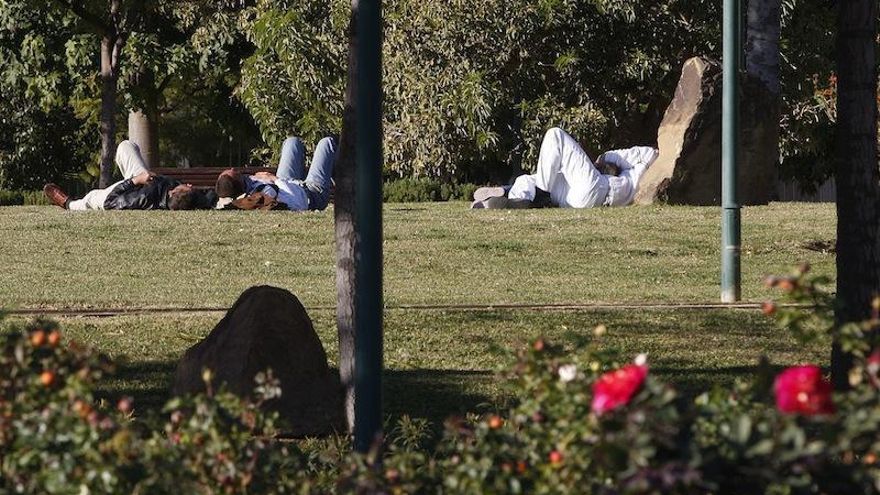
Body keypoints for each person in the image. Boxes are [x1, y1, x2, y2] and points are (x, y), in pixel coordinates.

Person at [472, 127, 658, 209]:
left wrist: (607, 162)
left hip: (598, 190)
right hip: (576, 199)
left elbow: (651, 154)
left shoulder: (640, 167)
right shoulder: (629, 170)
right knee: (527, 179)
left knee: (556, 135)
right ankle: (511, 197)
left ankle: (538, 195)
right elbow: (608, 159)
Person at [43, 140, 214, 211]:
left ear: (172, 192)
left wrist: (135, 180)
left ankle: (68, 204)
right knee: (126, 145)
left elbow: (111, 202)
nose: (190, 185)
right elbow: (213, 196)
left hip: (129, 189)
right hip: (144, 180)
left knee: (93, 198)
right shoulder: (193, 197)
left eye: (186, 186)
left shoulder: (143, 198)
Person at [215, 136, 337, 211]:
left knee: (292, 142)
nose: (235, 169)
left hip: (286, 181)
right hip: (311, 194)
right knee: (327, 143)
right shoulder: (260, 196)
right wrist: (273, 178)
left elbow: (221, 199)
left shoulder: (243, 183)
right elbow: (293, 200)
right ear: (239, 182)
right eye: (235, 172)